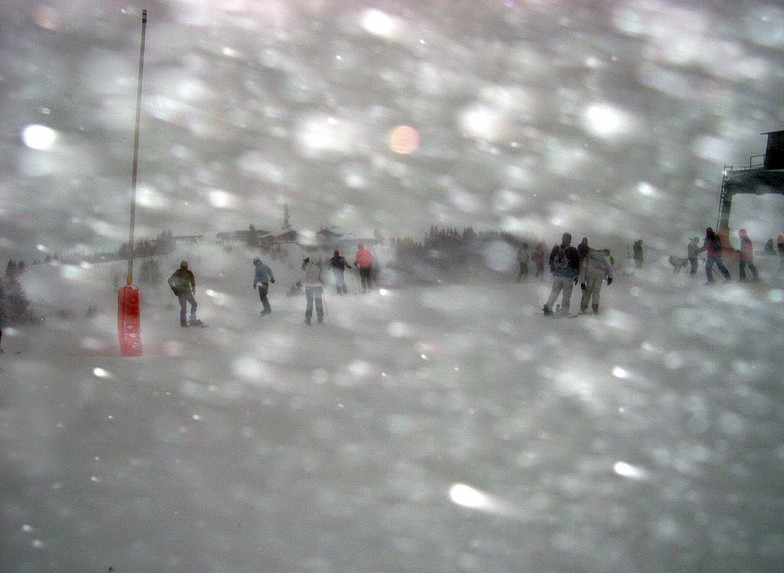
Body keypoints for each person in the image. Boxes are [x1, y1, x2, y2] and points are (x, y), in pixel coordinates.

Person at [543, 232, 580, 316]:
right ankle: (564, 311)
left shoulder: (556, 248)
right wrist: (576, 276)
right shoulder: (572, 250)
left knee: (554, 292)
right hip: (568, 276)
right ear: (570, 240)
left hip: (557, 275)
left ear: (562, 238)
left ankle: (548, 307)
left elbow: (551, 260)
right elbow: (576, 264)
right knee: (566, 295)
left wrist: (553, 270)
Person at [579, 247, 614, 314]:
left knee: (588, 291)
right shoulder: (602, 256)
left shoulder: (588, 256)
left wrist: (582, 282)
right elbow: (609, 266)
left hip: (590, 274)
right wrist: (610, 277)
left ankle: (583, 307)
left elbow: (583, 268)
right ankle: (595, 307)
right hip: (600, 274)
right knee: (596, 291)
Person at [168, 260, 198, 327]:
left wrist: (174, 289)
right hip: (186, 292)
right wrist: (193, 289)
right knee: (193, 304)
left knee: (185, 307)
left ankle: (184, 323)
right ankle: (191, 320)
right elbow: (192, 282)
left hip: (181, 292)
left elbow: (170, 280)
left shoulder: (178, 272)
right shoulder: (188, 273)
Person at [302, 257, 324, 325]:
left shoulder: (307, 267)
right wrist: (322, 283)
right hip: (318, 286)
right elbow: (321, 277)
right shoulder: (318, 268)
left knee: (309, 303)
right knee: (318, 302)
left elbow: (304, 276)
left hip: (309, 287)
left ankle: (308, 319)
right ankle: (320, 318)